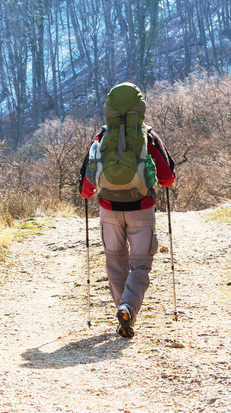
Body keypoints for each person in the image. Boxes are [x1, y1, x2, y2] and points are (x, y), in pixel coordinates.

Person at [79, 82, 175, 338]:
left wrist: (93, 192)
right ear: (140, 107)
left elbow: (86, 186)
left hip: (108, 210)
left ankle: (124, 313)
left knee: (115, 262)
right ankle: (128, 308)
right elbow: (168, 179)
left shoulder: (100, 138)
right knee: (140, 265)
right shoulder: (148, 135)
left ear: (109, 107)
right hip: (141, 210)